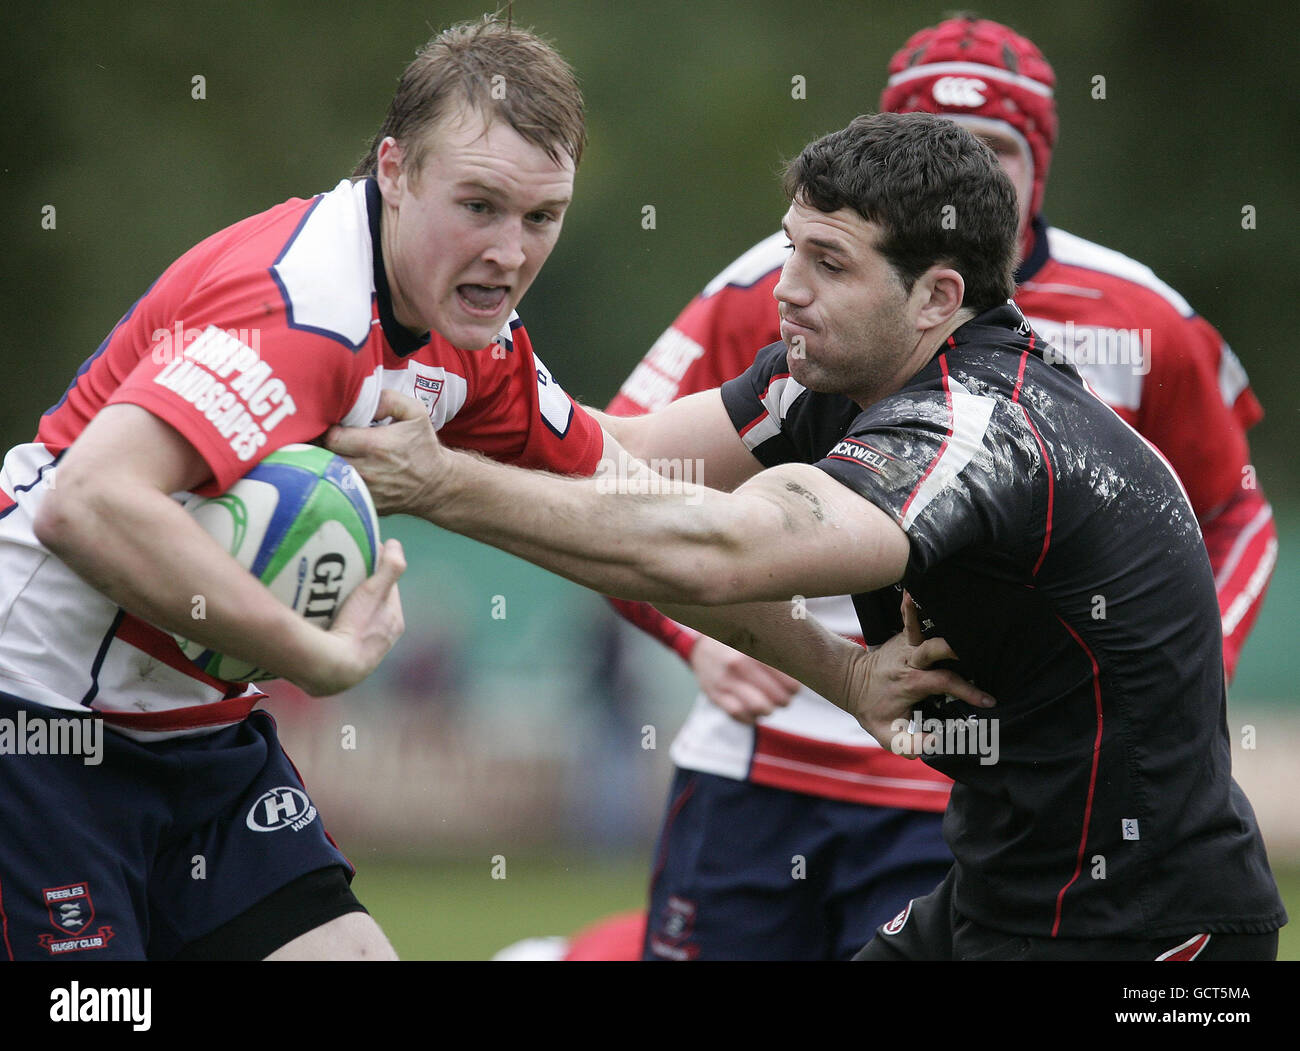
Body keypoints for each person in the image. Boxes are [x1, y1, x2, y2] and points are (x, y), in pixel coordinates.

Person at [330, 111, 1286, 960]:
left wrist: (441, 484)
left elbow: (720, 550)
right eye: (791, 249)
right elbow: (617, 462)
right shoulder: (829, 379)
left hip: (1152, 930)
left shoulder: (976, 426)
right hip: (1000, 897)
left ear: (937, 298)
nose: (785, 289)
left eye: (828, 264)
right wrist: (431, 369)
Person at [602, 15, 1277, 960]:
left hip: (1006, 797)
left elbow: (1235, 506)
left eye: (995, 147)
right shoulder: (790, 294)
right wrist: (456, 391)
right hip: (794, 751)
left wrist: (1191, 666)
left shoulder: (1127, 319)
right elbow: (611, 463)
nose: (792, 285)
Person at [0, 16, 606, 961]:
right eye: (480, 205)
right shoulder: (302, 312)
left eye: (541, 217)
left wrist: (845, 663)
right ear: (395, 171)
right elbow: (84, 503)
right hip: (40, 720)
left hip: (200, 736)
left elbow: (630, 498)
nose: (512, 252)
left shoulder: (467, 333)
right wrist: (308, 654)